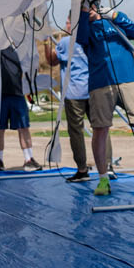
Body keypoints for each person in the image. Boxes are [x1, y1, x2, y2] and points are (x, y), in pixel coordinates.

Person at [76, 0, 134, 197]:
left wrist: (115, 15)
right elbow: (80, 39)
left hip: (129, 79)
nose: (92, 7)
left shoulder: (113, 20)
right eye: (89, 4)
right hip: (100, 83)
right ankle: (103, 178)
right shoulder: (84, 26)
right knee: (100, 129)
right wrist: (84, 13)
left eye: (94, 3)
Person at [41, 24, 92, 181]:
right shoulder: (92, 38)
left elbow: (51, 61)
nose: (66, 25)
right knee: (100, 128)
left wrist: (45, 42)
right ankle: (108, 166)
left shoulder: (66, 42)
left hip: (74, 92)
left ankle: (82, 169)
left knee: (76, 131)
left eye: (69, 21)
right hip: (93, 88)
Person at [0, 43, 38, 172]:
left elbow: (30, 68)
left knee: (23, 127)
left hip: (17, 94)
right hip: (0, 95)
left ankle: (29, 159)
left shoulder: (22, 46)